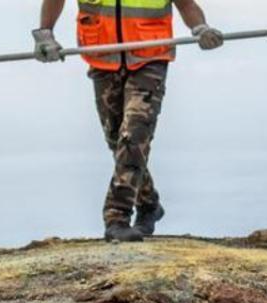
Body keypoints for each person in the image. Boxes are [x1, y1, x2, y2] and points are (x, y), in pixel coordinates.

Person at [33, 0, 225, 242]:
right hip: (102, 59)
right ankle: (149, 203)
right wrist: (45, 35)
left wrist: (201, 29)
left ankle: (117, 217)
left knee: (133, 136)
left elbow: (186, 4)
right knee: (117, 140)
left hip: (150, 58)